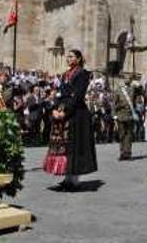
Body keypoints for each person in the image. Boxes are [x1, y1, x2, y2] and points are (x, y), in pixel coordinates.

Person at [43, 49, 97, 191]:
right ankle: (67, 178)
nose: (68, 58)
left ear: (78, 59)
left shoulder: (83, 74)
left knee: (74, 145)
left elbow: (78, 95)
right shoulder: (65, 74)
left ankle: (75, 180)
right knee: (64, 146)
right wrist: (54, 108)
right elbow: (59, 93)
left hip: (76, 113)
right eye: (67, 56)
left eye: (71, 56)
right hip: (63, 111)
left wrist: (65, 112)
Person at [114, 75, 139, 160]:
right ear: (123, 80)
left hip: (129, 116)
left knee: (129, 135)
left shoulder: (133, 89)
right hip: (121, 115)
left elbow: (140, 93)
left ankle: (128, 153)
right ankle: (122, 153)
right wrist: (114, 116)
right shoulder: (118, 90)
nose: (127, 80)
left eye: (129, 78)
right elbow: (114, 104)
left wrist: (139, 85)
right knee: (121, 135)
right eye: (125, 78)